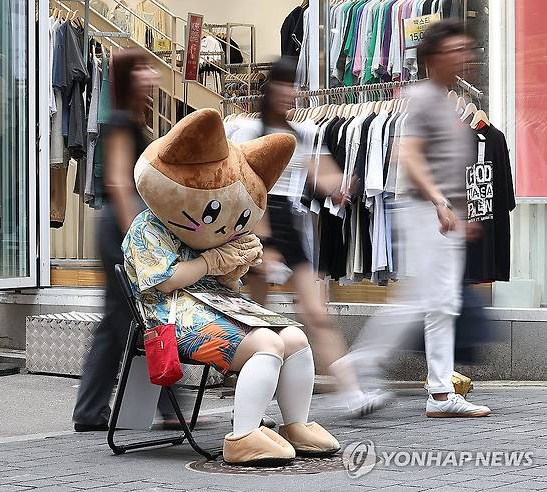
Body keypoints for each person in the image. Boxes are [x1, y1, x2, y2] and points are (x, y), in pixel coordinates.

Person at [123, 108, 341, 465]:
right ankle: (242, 435)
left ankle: (296, 424)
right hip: (169, 317)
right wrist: (212, 261)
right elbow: (165, 282)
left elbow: (223, 279)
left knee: (296, 338)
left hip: (215, 304)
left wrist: (237, 259)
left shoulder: (208, 235)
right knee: (266, 343)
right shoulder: (147, 228)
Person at [335, 20, 491, 418]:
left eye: (467, 50)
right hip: (426, 211)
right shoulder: (423, 97)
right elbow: (408, 155)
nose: (465, 57)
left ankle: (440, 393)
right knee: (420, 303)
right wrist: (440, 201)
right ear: (435, 56)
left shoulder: (445, 99)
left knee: (441, 303)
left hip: (443, 214)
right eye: (456, 49)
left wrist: (461, 209)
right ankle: (358, 364)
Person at [230, 57, 386, 416]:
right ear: (270, 92)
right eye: (282, 87)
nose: (289, 95)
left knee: (315, 312)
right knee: (257, 318)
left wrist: (340, 187)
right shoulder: (248, 132)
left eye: (293, 87)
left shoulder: (303, 134)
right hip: (257, 221)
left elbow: (322, 173)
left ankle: (351, 392)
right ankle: (252, 401)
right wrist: (262, 242)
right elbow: (242, 183)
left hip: (289, 222)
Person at [73, 49, 159, 432]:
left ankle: (98, 408)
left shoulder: (134, 120)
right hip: (120, 227)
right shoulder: (121, 122)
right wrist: (135, 241)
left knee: (130, 319)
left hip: (123, 226)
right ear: (127, 79)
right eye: (142, 71)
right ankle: (90, 410)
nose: (151, 77)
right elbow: (121, 184)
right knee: (123, 319)